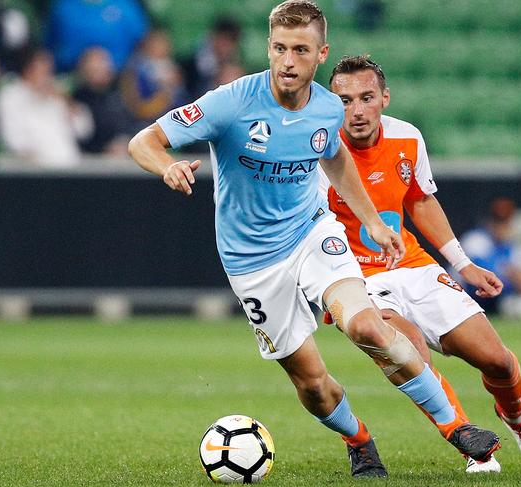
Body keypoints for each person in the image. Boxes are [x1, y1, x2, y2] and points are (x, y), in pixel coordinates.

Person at [128, 1, 499, 479]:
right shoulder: (231, 102)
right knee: (313, 384)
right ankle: (358, 439)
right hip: (252, 262)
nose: (287, 61)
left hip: (312, 234)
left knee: (366, 327)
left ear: (320, 54)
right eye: (279, 48)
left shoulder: (327, 107)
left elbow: (337, 161)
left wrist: (374, 222)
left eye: (300, 50)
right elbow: (144, 141)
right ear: (268, 48)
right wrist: (169, 165)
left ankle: (457, 428)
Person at [322, 55, 521, 472]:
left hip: (412, 265)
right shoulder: (317, 151)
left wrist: (463, 264)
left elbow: (420, 200)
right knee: (411, 353)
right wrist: (324, 290)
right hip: (357, 279)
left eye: (366, 97)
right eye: (343, 100)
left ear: (384, 98)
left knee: (497, 360)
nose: (356, 110)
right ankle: (472, 445)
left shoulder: (407, 137)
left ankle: (518, 419)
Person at [0, 46, 93, 167]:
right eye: (43, 69)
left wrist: (66, 101)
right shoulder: (11, 96)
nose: (48, 75)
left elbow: (84, 131)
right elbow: (14, 140)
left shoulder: (57, 97)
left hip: (70, 169)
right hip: (33, 171)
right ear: (28, 70)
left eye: (50, 70)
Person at [46, 0, 149, 73]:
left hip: (120, 82)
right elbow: (49, 48)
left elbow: (144, 45)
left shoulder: (127, 7)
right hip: (71, 78)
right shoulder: (63, 8)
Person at [120, 29, 188, 129]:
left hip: (176, 123)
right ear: (147, 45)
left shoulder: (173, 69)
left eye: (165, 43)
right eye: (158, 44)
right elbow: (137, 107)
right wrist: (165, 95)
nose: (163, 48)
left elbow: (183, 101)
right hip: (144, 124)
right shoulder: (134, 71)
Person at [73, 47, 134, 155]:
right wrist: (104, 149)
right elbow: (80, 137)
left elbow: (128, 126)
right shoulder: (76, 100)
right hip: (92, 161)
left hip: (123, 156)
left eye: (103, 65)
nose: (100, 70)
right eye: (94, 69)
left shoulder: (117, 96)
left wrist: (126, 142)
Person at [180, 16, 244, 100]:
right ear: (214, 37)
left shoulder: (233, 62)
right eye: (224, 40)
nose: (226, 46)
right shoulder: (191, 64)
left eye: (231, 42)